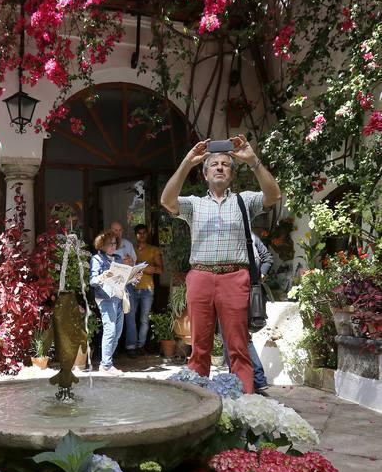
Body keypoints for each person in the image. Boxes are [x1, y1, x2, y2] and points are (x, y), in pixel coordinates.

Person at [160, 135, 281, 393]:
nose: (219, 167)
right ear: (205, 174)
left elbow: (273, 194)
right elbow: (167, 201)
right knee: (199, 349)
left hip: (234, 277)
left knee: (238, 348)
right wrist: (187, 164)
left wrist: (253, 160)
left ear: (232, 174)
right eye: (214, 164)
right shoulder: (194, 204)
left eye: (225, 164)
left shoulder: (244, 201)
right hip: (200, 278)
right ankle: (198, 407)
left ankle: (244, 407)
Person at [219, 233, 273, 393]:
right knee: (234, 337)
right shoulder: (248, 236)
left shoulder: (248, 237)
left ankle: (251, 379)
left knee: (236, 337)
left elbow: (267, 258)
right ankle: (245, 379)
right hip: (235, 291)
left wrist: (258, 277)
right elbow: (267, 258)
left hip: (238, 292)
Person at [125, 223, 163, 357]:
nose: (142, 235)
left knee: (144, 319)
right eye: (139, 233)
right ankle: (132, 346)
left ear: (148, 234)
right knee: (131, 318)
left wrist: (147, 268)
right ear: (136, 235)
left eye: (144, 232)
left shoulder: (154, 250)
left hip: (147, 289)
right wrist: (143, 267)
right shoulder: (130, 248)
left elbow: (160, 269)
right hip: (131, 287)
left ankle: (141, 345)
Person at [89, 230, 124, 375]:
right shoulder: (97, 259)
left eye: (115, 243)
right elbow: (92, 281)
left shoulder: (118, 259)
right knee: (110, 330)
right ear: (102, 245)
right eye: (110, 244)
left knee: (117, 332)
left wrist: (133, 277)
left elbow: (123, 279)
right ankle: (106, 365)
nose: (113, 246)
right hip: (105, 298)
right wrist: (103, 276)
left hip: (118, 296)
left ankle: (107, 363)